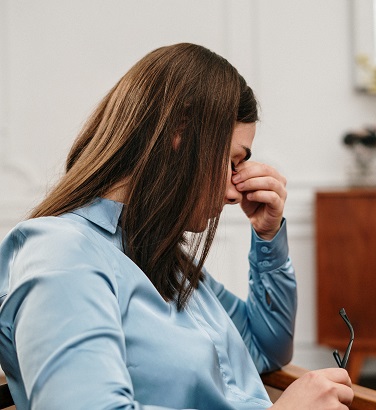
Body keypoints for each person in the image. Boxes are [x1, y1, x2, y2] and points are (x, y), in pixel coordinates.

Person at [0, 43, 353, 409]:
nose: (236, 191)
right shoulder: (63, 254)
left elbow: (266, 349)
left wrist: (267, 237)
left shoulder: (162, 256)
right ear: (179, 131)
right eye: (232, 161)